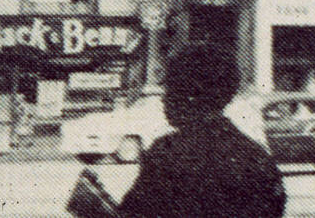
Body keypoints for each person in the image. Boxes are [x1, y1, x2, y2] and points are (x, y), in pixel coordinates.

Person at [117, 45, 286, 218]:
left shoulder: (167, 152)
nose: (164, 98)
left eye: (170, 88)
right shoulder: (256, 156)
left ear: (189, 95)